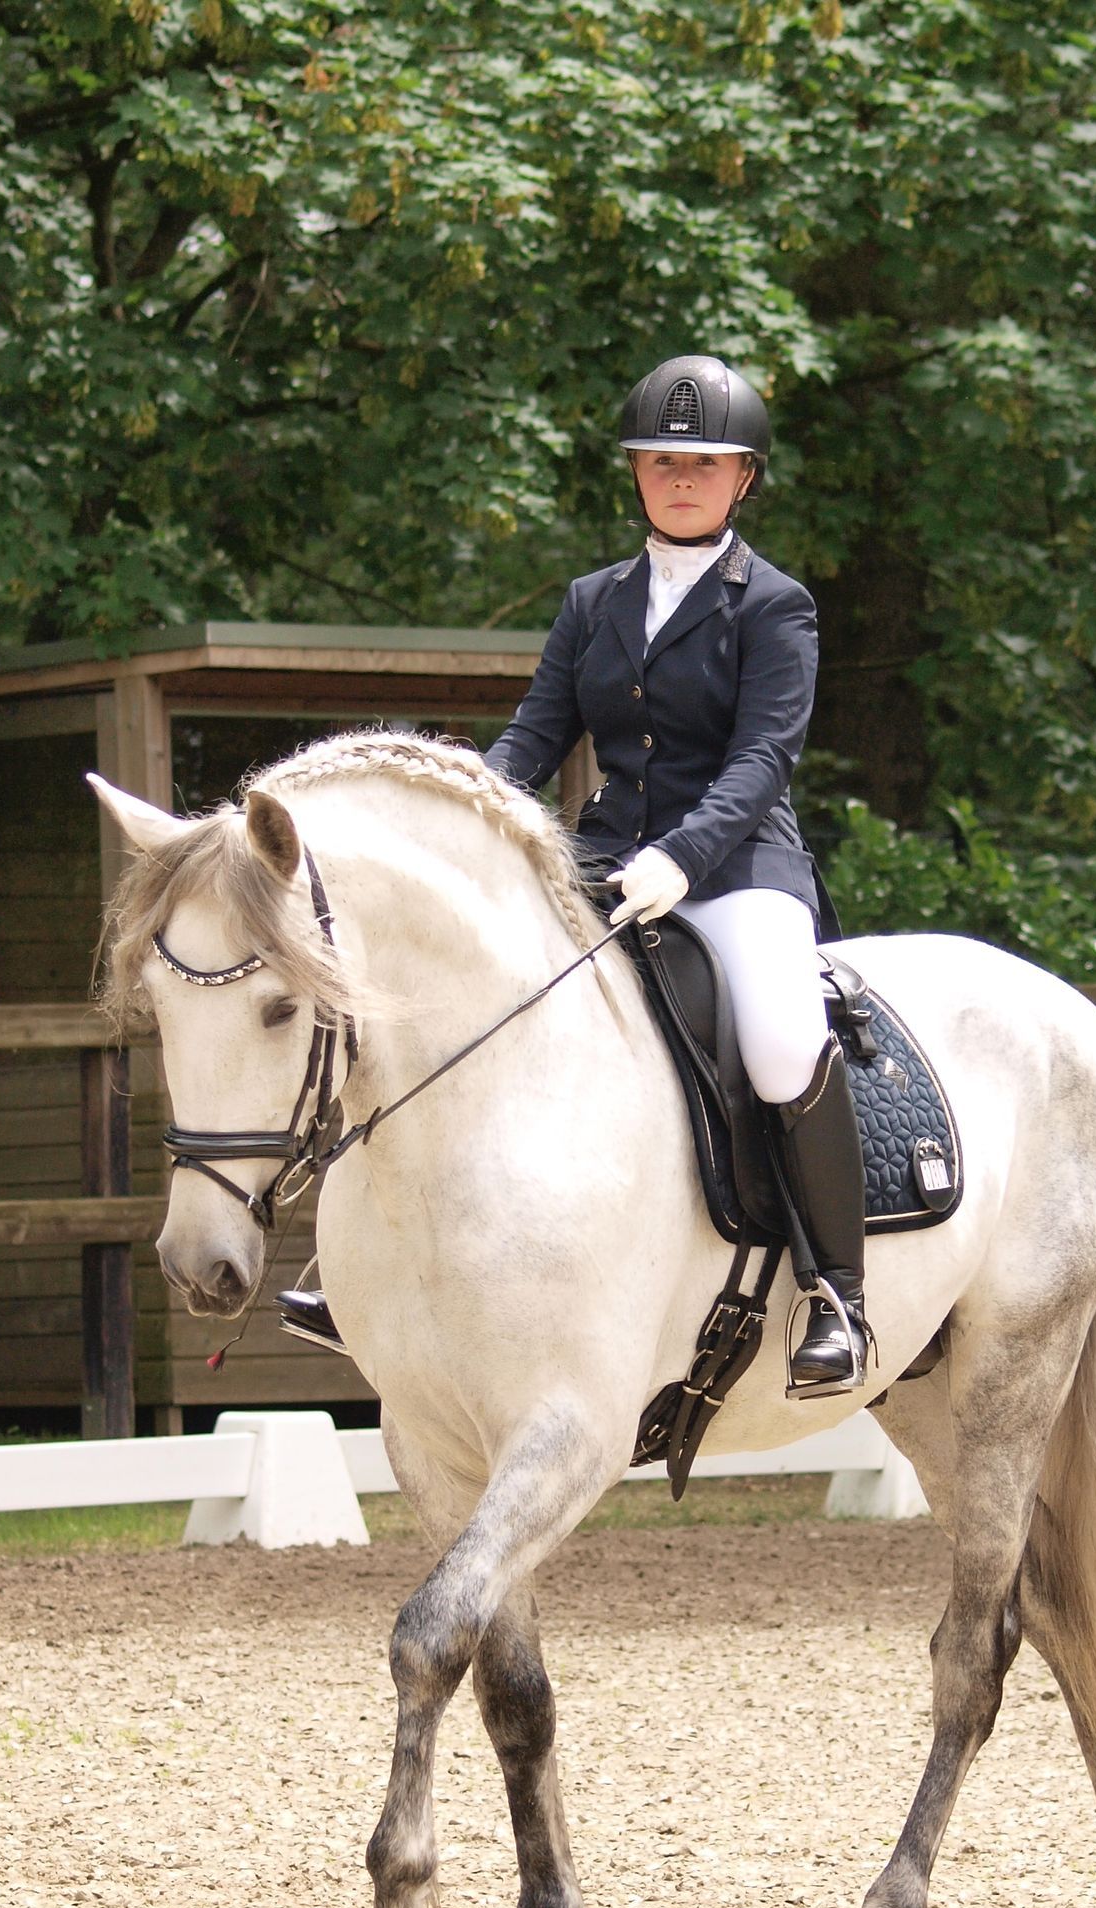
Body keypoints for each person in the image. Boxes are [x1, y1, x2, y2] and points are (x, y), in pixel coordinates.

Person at [280, 354, 868, 1396]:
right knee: (431, 999)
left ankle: (837, 1294)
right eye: (660, 461)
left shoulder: (776, 605)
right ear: (636, 474)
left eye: (705, 463)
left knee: (781, 1039)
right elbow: (534, 737)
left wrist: (682, 859)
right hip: (594, 861)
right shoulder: (594, 601)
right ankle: (357, 1267)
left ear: (744, 479)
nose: (680, 479)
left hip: (736, 866)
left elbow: (763, 758)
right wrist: (463, 828)